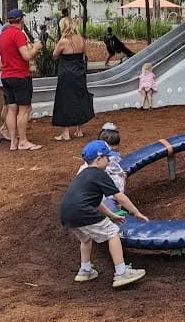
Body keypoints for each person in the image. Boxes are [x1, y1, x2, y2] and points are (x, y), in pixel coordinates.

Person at [60, 140, 149, 288]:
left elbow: (95, 201)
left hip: (66, 213)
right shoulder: (99, 174)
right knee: (113, 233)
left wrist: (111, 215)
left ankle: (85, 270)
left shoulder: (84, 175)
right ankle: (121, 273)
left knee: (86, 238)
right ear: (99, 159)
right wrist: (136, 212)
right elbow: (119, 196)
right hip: (82, 211)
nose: (110, 160)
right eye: (108, 157)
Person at [0, 8, 43, 151]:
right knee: (24, 109)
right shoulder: (18, 34)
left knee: (12, 109)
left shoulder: (3, 35)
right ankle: (23, 141)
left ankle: (13, 142)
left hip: (6, 76)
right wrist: (35, 48)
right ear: (20, 20)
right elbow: (26, 56)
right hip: (20, 75)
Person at [52, 18, 94, 141]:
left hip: (66, 74)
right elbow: (84, 55)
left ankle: (65, 133)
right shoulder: (81, 39)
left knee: (64, 100)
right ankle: (79, 130)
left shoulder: (63, 42)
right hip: (79, 72)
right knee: (79, 98)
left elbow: (54, 55)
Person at [76, 123, 126, 211]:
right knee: (119, 179)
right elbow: (116, 172)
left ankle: (116, 205)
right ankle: (117, 207)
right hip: (94, 202)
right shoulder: (105, 160)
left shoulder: (92, 156)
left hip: (84, 199)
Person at [0, 36, 11, 142]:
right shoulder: (0, 48)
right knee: (10, 106)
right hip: (4, 78)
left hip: (3, 79)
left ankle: (6, 127)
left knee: (7, 104)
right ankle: (4, 127)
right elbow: (0, 66)